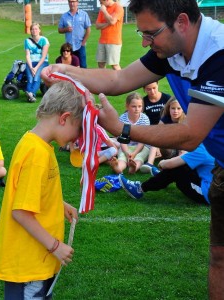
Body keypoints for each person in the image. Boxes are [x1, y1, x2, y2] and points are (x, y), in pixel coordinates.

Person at [41, 1, 224, 298]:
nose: (144, 43)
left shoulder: (218, 54)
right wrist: (64, 69)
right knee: (220, 257)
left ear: (181, 22)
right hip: (222, 163)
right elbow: (118, 80)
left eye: (150, 34)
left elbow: (191, 135)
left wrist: (123, 129)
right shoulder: (173, 47)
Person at [0, 81, 83, 299]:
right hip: (28, 263)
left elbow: (32, 193)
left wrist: (59, 205)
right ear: (64, 118)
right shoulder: (36, 155)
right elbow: (20, 212)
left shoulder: (39, 144)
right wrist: (55, 246)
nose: (76, 138)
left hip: (36, 259)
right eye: (77, 129)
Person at [120, 143, 214, 205]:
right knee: (184, 166)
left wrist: (163, 163)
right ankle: (161, 177)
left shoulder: (201, 151)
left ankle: (139, 188)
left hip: (209, 195)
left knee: (177, 169)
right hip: (217, 190)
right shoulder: (213, 146)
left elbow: (168, 165)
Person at [141, 97, 186, 174]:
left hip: (181, 148)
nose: (175, 111)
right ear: (168, 108)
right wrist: (157, 147)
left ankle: (176, 164)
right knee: (155, 140)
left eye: (179, 108)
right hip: (169, 149)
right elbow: (157, 133)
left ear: (182, 109)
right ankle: (150, 164)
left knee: (185, 151)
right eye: (173, 108)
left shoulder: (185, 120)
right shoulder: (166, 118)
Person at [112, 92, 150, 174]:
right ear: (127, 106)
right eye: (134, 106)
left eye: (139, 106)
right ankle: (118, 168)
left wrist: (135, 152)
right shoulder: (123, 118)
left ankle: (134, 168)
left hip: (141, 146)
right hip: (126, 145)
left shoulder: (145, 119)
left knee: (140, 157)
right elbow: (122, 139)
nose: (137, 109)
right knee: (122, 157)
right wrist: (126, 153)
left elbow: (143, 139)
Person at [58, 0, 91, 68]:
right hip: (69, 47)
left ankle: (83, 79)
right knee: (70, 67)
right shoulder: (64, 16)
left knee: (83, 66)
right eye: (70, 2)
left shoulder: (84, 14)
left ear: (77, 2)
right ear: (68, 3)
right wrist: (66, 29)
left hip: (80, 45)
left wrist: (83, 42)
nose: (72, 3)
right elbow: (59, 30)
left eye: (74, 1)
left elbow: (88, 29)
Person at [24, 22, 50, 103]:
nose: (34, 31)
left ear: (39, 30)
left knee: (36, 77)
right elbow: (27, 55)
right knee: (30, 79)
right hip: (31, 62)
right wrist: (31, 67)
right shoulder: (27, 41)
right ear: (30, 31)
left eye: (36, 29)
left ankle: (30, 93)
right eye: (32, 29)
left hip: (42, 62)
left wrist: (36, 67)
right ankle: (31, 96)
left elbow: (43, 56)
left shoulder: (44, 40)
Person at [95, 0, 124, 70]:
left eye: (101, 2)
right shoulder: (103, 8)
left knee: (114, 65)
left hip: (114, 41)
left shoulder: (118, 7)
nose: (100, 4)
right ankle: (103, 80)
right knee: (100, 63)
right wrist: (108, 24)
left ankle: (121, 80)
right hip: (102, 41)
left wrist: (105, 11)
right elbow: (97, 26)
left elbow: (112, 21)